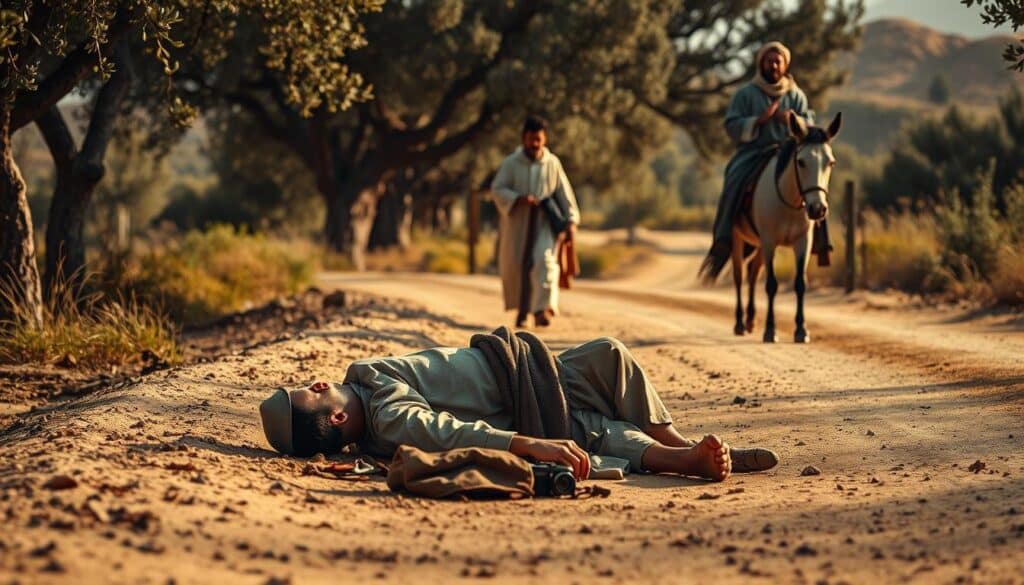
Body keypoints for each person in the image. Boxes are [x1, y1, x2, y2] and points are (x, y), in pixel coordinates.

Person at [259, 334, 780, 483]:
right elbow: (444, 431)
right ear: (333, 419)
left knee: (610, 355)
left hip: (532, 373)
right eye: (309, 390)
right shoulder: (386, 419)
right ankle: (688, 460)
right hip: (528, 407)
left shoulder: (368, 380)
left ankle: (682, 443)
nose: (315, 380)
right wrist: (528, 443)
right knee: (597, 435)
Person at [699, 41, 831, 281]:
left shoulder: (795, 94)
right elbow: (731, 124)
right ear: (761, 64)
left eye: (777, 60)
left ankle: (822, 241)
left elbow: (808, 123)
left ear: (785, 64)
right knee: (734, 178)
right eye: (769, 60)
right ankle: (724, 235)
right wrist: (759, 121)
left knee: (814, 180)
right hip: (754, 151)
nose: (773, 65)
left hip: (789, 151)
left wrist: (790, 121)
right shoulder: (746, 93)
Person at [491, 116, 580, 328]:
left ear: (545, 139)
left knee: (545, 261)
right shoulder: (511, 164)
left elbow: (563, 193)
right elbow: (497, 189)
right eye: (531, 139)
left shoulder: (552, 163)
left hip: (544, 225)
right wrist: (518, 199)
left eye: (539, 139)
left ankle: (542, 310)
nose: (535, 143)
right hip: (518, 226)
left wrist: (571, 221)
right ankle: (523, 312)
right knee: (518, 267)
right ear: (524, 138)